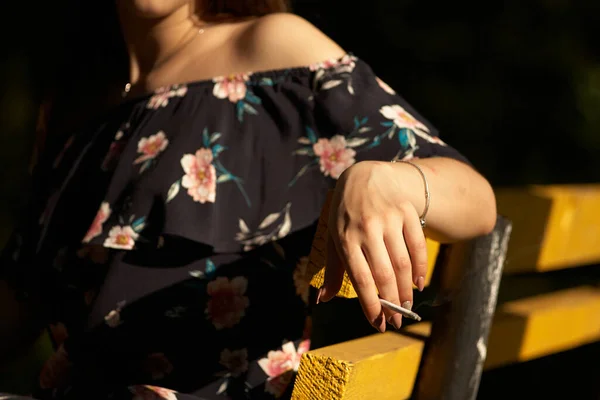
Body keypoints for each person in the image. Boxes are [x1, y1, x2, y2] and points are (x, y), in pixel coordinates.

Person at [0, 0, 497, 399]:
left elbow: (475, 200)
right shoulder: (77, 102)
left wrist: (384, 181)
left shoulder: (270, 47)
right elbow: (18, 303)